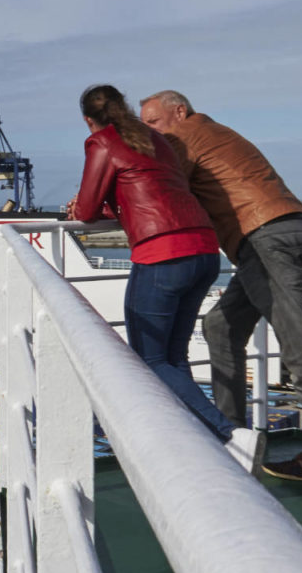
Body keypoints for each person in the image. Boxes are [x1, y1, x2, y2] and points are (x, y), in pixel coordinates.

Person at [142, 90, 302, 485]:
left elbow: (162, 189)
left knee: (300, 349)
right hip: (282, 231)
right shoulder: (217, 132)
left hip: (263, 238)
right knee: (220, 327)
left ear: (179, 111)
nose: (149, 131)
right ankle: (232, 433)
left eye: (152, 122)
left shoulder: (182, 138)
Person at [69, 85, 261, 470]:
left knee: (149, 359)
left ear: (89, 120)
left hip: (162, 253)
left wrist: (85, 205)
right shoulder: (155, 138)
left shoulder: (101, 142)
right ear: (123, 109)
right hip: (204, 250)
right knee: (173, 357)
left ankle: (230, 435)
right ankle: (201, 441)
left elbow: (88, 208)